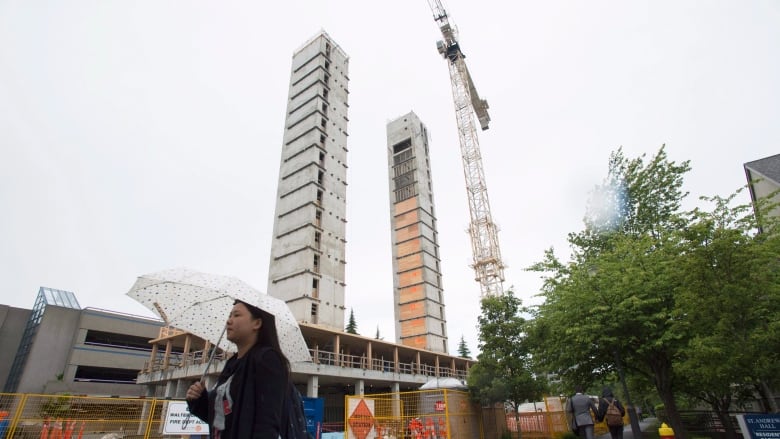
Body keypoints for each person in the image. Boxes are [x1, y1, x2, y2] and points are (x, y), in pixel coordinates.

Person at [186, 300, 290, 438]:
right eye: (230, 315)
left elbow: (266, 424)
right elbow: (223, 420)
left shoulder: (266, 359)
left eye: (236, 315)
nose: (229, 321)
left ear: (257, 323)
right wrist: (199, 400)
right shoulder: (232, 363)